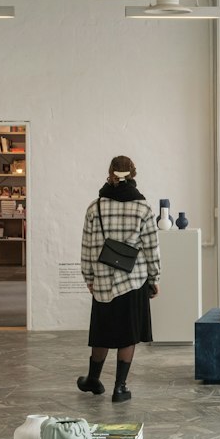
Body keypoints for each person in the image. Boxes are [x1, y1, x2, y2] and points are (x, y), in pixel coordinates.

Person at [78, 155, 160, 403]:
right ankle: (120, 387)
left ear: (110, 173)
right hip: (133, 280)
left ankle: (93, 379)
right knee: (128, 333)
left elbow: (88, 246)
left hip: (102, 280)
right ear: (133, 175)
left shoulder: (96, 207)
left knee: (102, 331)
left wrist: (89, 277)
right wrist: (154, 277)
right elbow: (151, 248)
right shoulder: (143, 208)